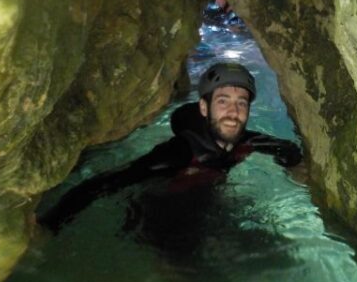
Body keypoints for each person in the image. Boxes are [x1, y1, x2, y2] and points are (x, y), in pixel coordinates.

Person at [38, 62, 302, 233]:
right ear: (203, 107)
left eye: (241, 103)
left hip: (207, 199)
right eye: (223, 101)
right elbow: (102, 184)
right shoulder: (177, 153)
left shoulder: (245, 139)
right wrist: (50, 225)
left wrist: (293, 163)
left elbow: (286, 149)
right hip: (162, 215)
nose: (233, 112)